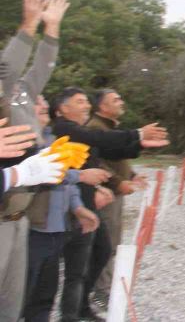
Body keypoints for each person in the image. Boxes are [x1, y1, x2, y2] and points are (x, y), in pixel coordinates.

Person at [51, 87, 168, 322]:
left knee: (101, 250)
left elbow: (109, 150)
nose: (87, 106)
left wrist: (140, 144)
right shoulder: (63, 128)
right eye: (80, 102)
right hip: (72, 206)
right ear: (63, 108)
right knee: (76, 264)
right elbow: (100, 140)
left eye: (87, 101)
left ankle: (81, 305)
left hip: (87, 202)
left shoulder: (80, 130)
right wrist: (137, 133)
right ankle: (70, 313)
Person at [0, 0, 70, 321]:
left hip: (18, 218)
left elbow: (42, 67)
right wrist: (28, 25)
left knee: (12, 308)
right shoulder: (3, 87)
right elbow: (5, 70)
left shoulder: (22, 95)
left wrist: (51, 28)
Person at [24, 95, 107, 322]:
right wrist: (80, 175)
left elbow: (66, 185)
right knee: (23, 295)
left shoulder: (53, 140)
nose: (44, 106)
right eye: (38, 104)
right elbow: (39, 175)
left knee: (45, 296)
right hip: (32, 230)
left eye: (43, 103)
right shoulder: (22, 144)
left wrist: (78, 208)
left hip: (55, 229)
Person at [88, 89, 147, 309]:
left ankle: (106, 287)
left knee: (113, 242)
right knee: (106, 243)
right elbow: (96, 163)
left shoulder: (110, 128)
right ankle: (101, 292)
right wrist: (117, 183)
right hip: (105, 195)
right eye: (116, 99)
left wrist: (131, 175)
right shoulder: (95, 128)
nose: (121, 102)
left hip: (116, 193)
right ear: (102, 106)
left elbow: (116, 158)